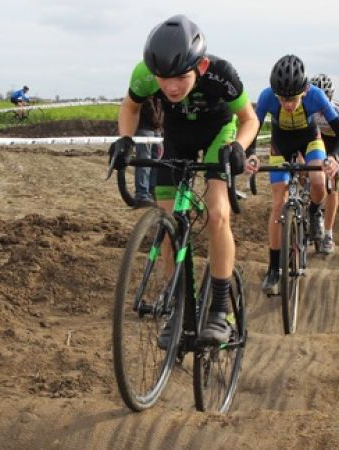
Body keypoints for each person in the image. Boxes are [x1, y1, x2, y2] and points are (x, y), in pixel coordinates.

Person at [110, 14, 260, 345]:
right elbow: (130, 107)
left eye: (180, 77)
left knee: (217, 214)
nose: (171, 87)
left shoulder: (221, 73)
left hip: (218, 135)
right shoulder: (145, 74)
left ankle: (220, 310)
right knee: (168, 223)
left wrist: (238, 146)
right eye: (163, 79)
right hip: (177, 138)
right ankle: (178, 304)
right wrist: (124, 139)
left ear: (199, 65)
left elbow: (249, 118)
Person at [253, 57, 339, 294]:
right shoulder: (266, 96)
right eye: (282, 98)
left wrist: (335, 158)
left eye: (293, 98)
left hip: (310, 140)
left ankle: (316, 211)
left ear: (304, 91)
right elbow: (252, 129)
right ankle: (274, 268)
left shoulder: (316, 95)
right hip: (280, 144)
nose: (287, 104)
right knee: (278, 205)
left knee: (318, 180)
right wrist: (251, 155)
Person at [309, 73, 339, 254]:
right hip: (316, 143)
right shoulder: (306, 108)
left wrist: (338, 161)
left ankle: (328, 234)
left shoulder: (337, 112)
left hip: (335, 146)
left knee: (332, 185)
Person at [133, 97, 163, 208]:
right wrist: (157, 122)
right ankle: (142, 194)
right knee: (144, 161)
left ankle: (152, 192)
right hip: (145, 128)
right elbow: (148, 106)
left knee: (156, 161)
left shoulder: (162, 91)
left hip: (156, 129)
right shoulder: (147, 89)